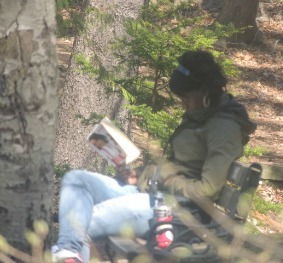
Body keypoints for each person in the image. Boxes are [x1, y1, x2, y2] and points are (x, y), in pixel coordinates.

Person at [51, 50, 256, 263]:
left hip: (178, 213)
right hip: (158, 198)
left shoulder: (224, 128)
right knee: (77, 180)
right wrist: (139, 176)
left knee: (78, 223)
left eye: (186, 97)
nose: (183, 103)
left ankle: (68, 255)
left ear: (204, 92)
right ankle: (69, 254)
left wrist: (165, 179)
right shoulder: (201, 115)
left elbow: (207, 190)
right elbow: (179, 167)